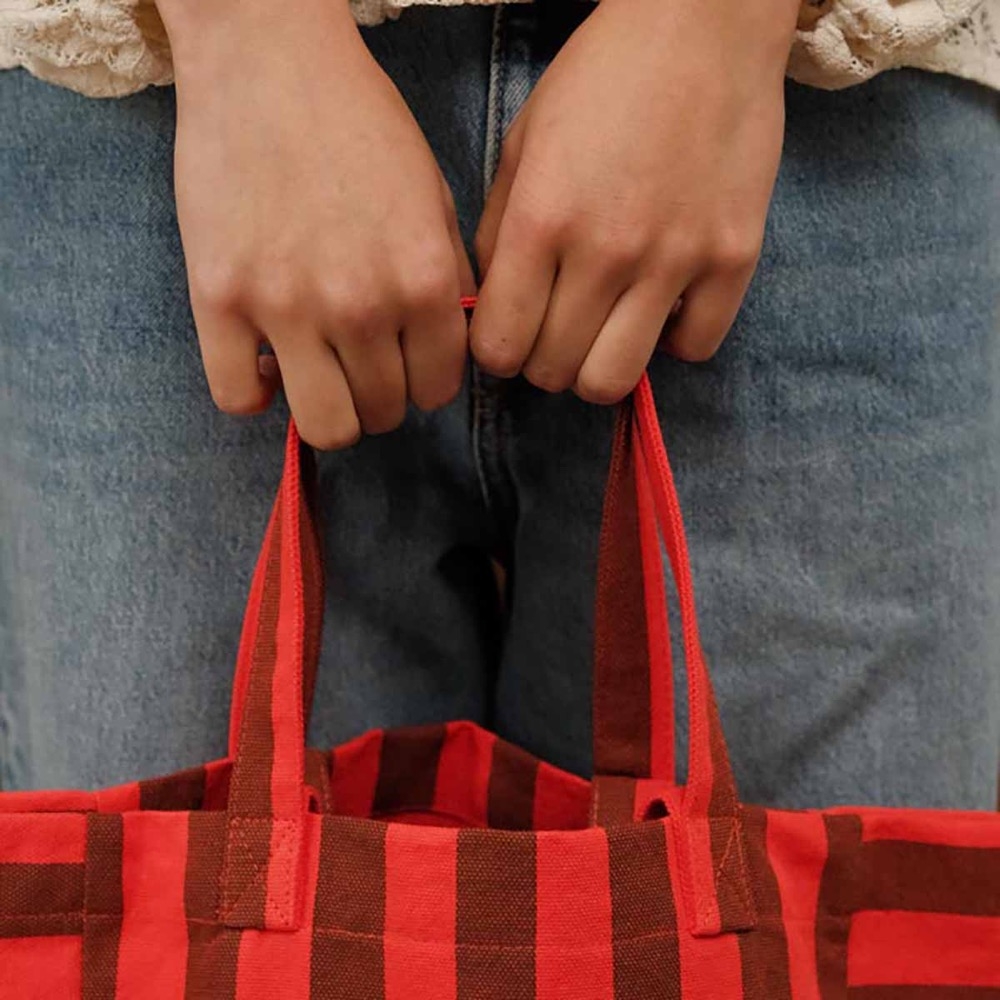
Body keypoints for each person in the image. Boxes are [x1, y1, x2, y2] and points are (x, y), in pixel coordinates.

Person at [0, 0, 997, 811]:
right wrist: (247, 38)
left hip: (807, 80)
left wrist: (711, 21)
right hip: (174, 94)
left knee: (809, 938)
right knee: (172, 925)